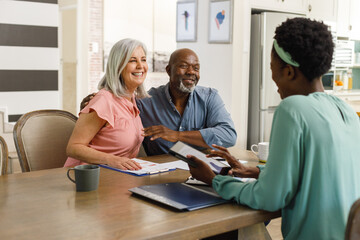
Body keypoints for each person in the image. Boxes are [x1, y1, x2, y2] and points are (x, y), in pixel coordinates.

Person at [188, 18, 360, 240]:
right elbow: (321, 175)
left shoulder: (292, 108)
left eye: (273, 69)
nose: (273, 79)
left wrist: (214, 180)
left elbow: (270, 198)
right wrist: (260, 173)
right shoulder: (345, 110)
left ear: (288, 72)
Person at [81, 48, 237, 156]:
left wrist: (177, 135)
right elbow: (115, 109)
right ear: (168, 70)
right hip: (161, 174)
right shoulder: (145, 102)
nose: (191, 72)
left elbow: (229, 135)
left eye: (196, 68)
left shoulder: (210, 97)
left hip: (202, 172)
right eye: (183, 66)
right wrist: (93, 103)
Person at [65, 38, 149, 170]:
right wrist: (111, 160)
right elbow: (73, 147)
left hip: (118, 177)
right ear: (118, 66)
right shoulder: (103, 101)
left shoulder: (131, 100)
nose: (140, 66)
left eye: (143, 59)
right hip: (87, 179)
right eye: (132, 60)